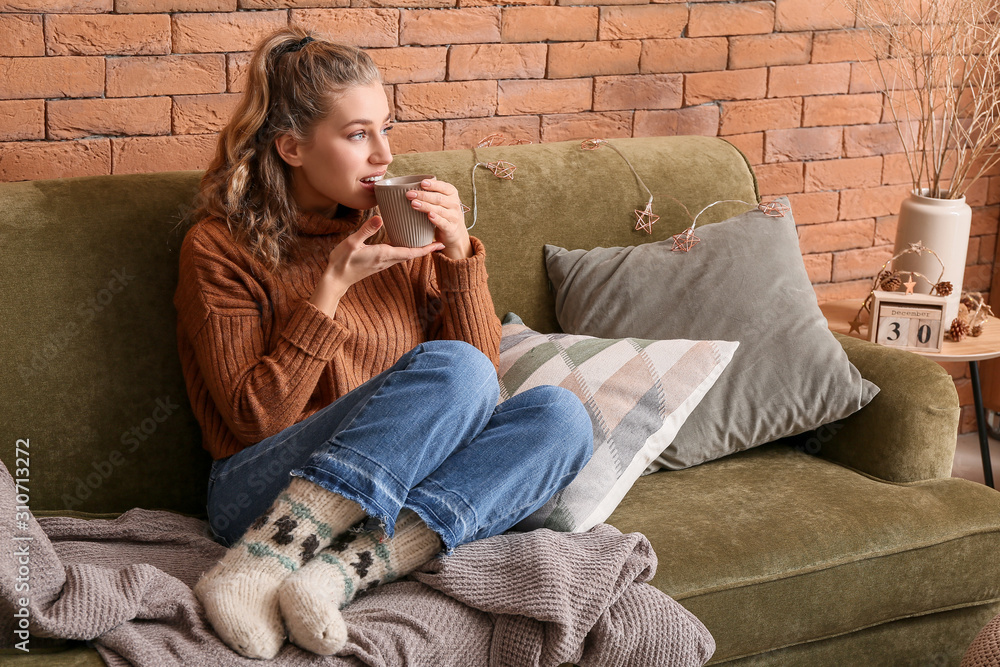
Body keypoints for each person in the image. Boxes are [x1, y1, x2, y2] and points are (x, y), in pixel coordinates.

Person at [173, 26, 594, 660]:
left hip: (390, 492)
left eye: (386, 128)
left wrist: (456, 260)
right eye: (357, 134)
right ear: (291, 146)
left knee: (563, 418)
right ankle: (258, 566)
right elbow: (252, 421)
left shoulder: (396, 228)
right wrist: (329, 292)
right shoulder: (219, 248)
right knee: (455, 368)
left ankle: (336, 575)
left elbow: (484, 384)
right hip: (256, 493)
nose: (383, 156)